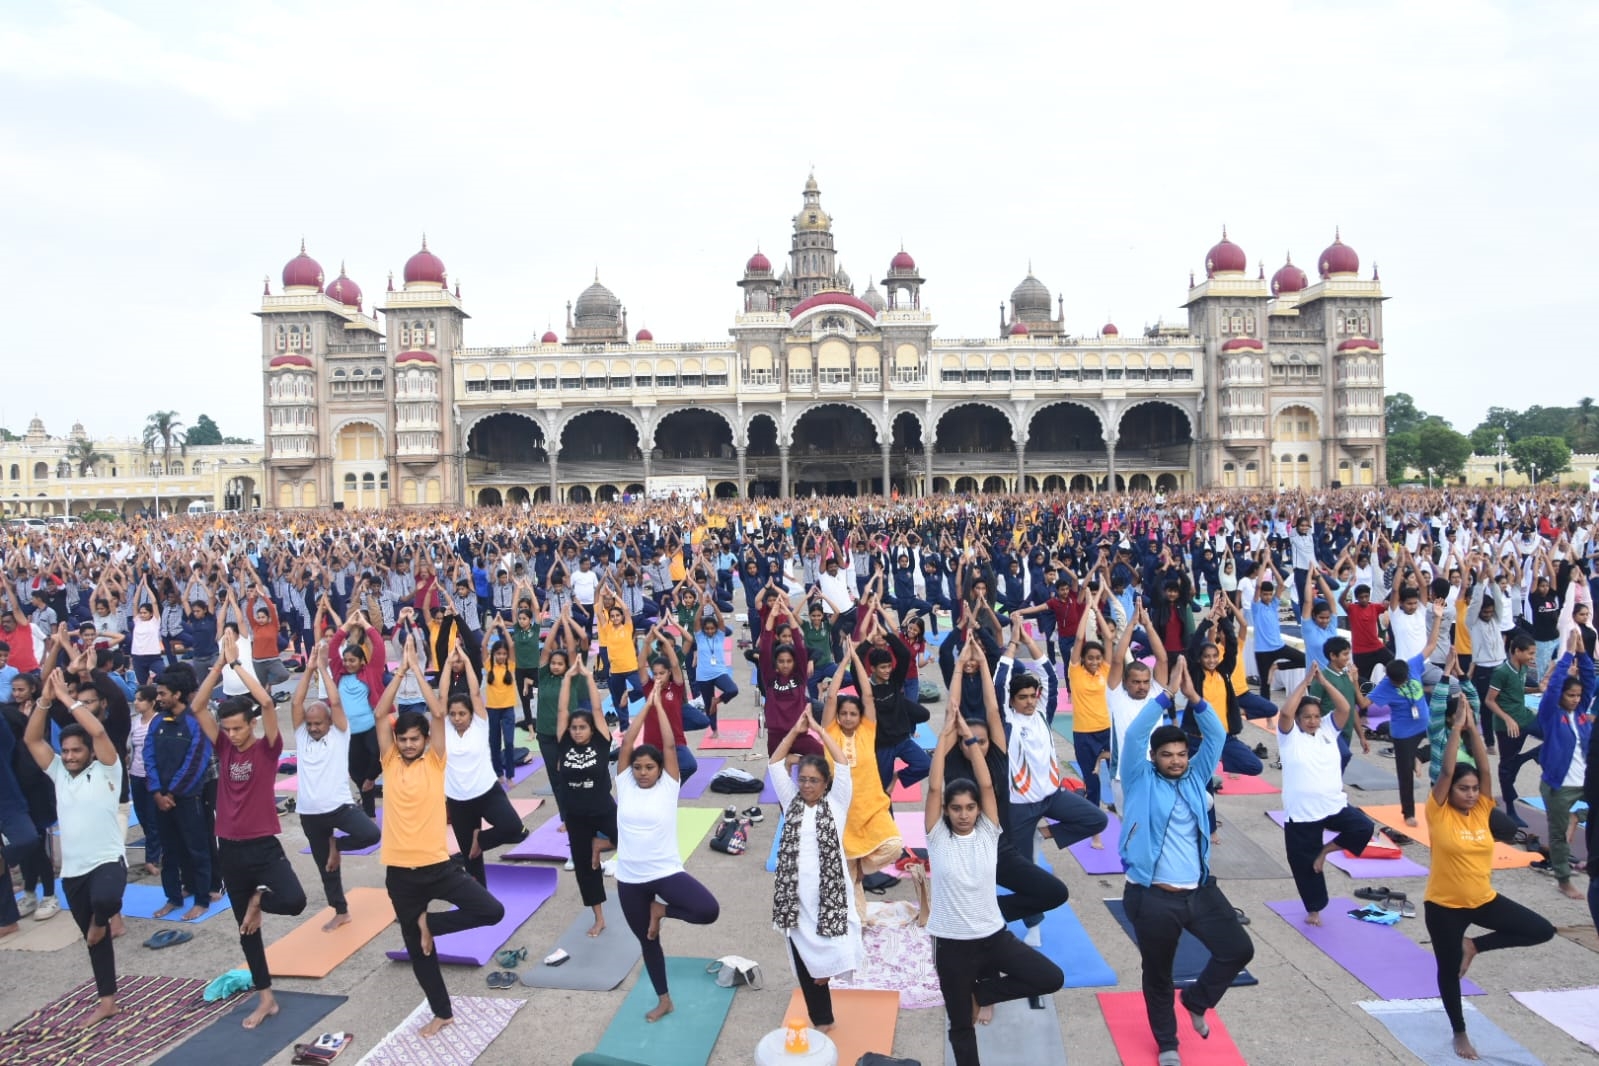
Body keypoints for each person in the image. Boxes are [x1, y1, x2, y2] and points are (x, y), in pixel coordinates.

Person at [1120, 656, 1254, 1066]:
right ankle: (1167, 1044)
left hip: (1200, 891)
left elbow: (1215, 736)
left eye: (1181, 754)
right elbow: (1136, 733)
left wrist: (1195, 698)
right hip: (1153, 896)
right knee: (1158, 975)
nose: (1176, 760)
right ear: (1155, 757)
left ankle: (1197, 1001)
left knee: (1237, 950)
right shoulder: (1138, 776)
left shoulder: (1196, 776)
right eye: (1168, 755)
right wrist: (1165, 696)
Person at [374, 649, 506, 1038]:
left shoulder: (436, 761)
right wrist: (399, 677)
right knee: (419, 951)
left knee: (491, 910)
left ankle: (428, 922)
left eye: (416, 739)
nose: (410, 745)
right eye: (405, 740)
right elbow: (382, 715)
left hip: (438, 867)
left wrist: (418, 668)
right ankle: (442, 1012)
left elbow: (437, 712)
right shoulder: (390, 761)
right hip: (400, 873)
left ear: (426, 740)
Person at [925, 703, 1063, 1066]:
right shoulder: (937, 836)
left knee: (1051, 977)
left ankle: (984, 990)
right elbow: (935, 788)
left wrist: (970, 742)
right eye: (957, 809)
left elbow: (986, 783)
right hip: (952, 945)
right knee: (960, 1026)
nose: (964, 814)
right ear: (947, 812)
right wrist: (943, 739)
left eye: (970, 808)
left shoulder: (989, 830)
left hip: (993, 936)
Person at [189, 632, 309, 1029]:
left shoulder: (268, 748)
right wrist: (218, 666)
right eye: (228, 729)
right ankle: (266, 998)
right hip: (230, 848)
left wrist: (238, 663)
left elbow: (264, 701)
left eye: (239, 729)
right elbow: (197, 705)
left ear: (251, 726)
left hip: (262, 846)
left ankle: (259, 899)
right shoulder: (223, 747)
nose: (233, 735)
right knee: (246, 931)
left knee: (293, 900)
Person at [1425, 699, 1554, 1060]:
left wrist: (1474, 730)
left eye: (1472, 789)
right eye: (1462, 789)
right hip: (1443, 906)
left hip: (1483, 900)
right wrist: (1455, 730)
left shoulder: (1483, 808)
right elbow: (1449, 771)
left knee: (1541, 930)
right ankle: (1459, 1031)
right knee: (1448, 972)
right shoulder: (1438, 812)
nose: (1469, 794)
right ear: (1449, 792)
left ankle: (1475, 945)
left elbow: (1483, 767)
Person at [22, 672, 126, 1026]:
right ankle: (107, 1001)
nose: (68, 756)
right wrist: (44, 700)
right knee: (95, 945)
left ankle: (100, 923)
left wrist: (67, 699)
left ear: (90, 753)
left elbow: (97, 732)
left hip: (107, 860)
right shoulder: (59, 773)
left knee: (106, 902)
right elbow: (32, 737)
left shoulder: (109, 770)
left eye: (75, 751)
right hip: (73, 872)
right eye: (65, 751)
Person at [614, 691, 720, 1023]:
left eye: (649, 767)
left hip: (665, 871)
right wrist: (643, 707)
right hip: (629, 879)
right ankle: (664, 1000)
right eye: (639, 768)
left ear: (661, 769)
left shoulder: (668, 785)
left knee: (707, 910)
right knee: (648, 941)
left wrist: (659, 706)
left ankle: (661, 910)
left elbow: (671, 746)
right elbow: (628, 743)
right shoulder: (625, 783)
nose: (643, 772)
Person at [767, 708, 861, 1035]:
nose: (806, 785)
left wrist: (819, 729)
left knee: (837, 946)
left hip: (829, 895)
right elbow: (775, 764)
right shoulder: (790, 800)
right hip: (795, 896)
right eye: (803, 779)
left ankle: (828, 974)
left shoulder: (836, 804)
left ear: (825, 783)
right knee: (806, 964)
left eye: (814, 781)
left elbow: (845, 765)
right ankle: (823, 1020)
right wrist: (794, 731)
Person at [291, 641, 381, 930]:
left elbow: (336, 701)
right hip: (309, 812)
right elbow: (295, 703)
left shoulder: (340, 735)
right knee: (326, 868)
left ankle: (337, 844)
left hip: (340, 807)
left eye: (319, 723)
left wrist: (324, 669)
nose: (314, 727)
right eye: (310, 723)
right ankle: (340, 910)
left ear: (329, 722)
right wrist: (308, 671)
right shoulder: (302, 736)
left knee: (370, 833)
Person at [1275, 665, 1375, 926]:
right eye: (1307, 717)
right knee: (1303, 865)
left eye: (1316, 716)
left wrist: (1324, 682)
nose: (1313, 721)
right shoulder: (1289, 737)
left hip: (1333, 806)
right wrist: (1305, 682)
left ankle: (1325, 850)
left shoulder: (1328, 731)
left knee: (1364, 827)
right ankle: (1314, 910)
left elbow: (1344, 708)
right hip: (1302, 812)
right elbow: (1286, 712)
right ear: (1298, 719)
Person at [434, 642, 531, 887]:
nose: (457, 718)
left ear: (471, 714)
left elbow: (476, 693)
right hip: (457, 799)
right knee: (471, 858)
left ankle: (481, 838)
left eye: (462, 714)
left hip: (487, 791)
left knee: (513, 827)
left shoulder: (480, 723)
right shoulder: (445, 728)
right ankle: (482, 899)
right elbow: (443, 696)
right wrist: (446, 664)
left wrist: (466, 661)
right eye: (453, 714)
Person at [820, 647, 905, 904]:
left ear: (860, 717)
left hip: (871, 809)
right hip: (842, 812)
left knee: (894, 846)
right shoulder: (829, 732)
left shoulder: (867, 731)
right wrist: (842, 662)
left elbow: (867, 696)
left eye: (852, 714)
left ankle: (858, 872)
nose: (847, 717)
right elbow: (832, 696)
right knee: (851, 891)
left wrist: (856, 660)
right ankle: (857, 917)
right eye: (843, 713)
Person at [143, 665, 213, 921]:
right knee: (169, 852)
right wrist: (157, 792)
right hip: (160, 799)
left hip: (186, 798)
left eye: (162, 694)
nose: (158, 698)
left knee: (197, 849)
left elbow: (196, 761)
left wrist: (172, 792)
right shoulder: (158, 721)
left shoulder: (196, 723)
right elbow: (147, 755)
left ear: (178, 694)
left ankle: (202, 899)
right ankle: (173, 897)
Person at [1367, 601, 1445, 827]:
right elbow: (1364, 703)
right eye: (1397, 682)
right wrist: (1354, 681)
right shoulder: (1385, 685)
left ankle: (1419, 757)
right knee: (1404, 774)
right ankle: (1408, 812)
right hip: (1403, 733)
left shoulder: (1412, 665)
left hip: (1425, 723)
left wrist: (1437, 617)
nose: (1401, 683)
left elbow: (1431, 644)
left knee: (1450, 742)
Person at [556, 657, 616, 937]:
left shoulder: (601, 741)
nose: (577, 731)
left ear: (592, 729)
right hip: (576, 815)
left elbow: (595, 708)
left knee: (627, 839)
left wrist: (589, 677)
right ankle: (599, 917)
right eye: (574, 728)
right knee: (584, 870)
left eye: (582, 728)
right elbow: (562, 710)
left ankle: (599, 844)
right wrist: (568, 678)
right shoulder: (565, 742)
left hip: (602, 807)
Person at [1534, 630, 1594, 902]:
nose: (1574, 698)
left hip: (1585, 782)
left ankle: (1578, 821)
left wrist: (1582, 654)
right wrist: (1568, 652)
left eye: (1577, 695)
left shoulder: (1582, 715)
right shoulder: (1551, 713)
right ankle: (1563, 879)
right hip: (1559, 785)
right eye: (1570, 695)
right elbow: (1556, 686)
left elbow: (1590, 681)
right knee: (1558, 835)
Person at [1485, 634, 1541, 821]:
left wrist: (1536, 690)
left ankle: (1526, 757)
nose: (1532, 657)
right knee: (1507, 768)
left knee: (1555, 735)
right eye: (1530, 653)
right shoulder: (1502, 672)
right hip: (1507, 726)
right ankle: (1510, 807)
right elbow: (1490, 700)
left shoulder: (1523, 667)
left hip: (1525, 717)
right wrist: (1507, 719)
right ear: (1517, 651)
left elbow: (1517, 688)